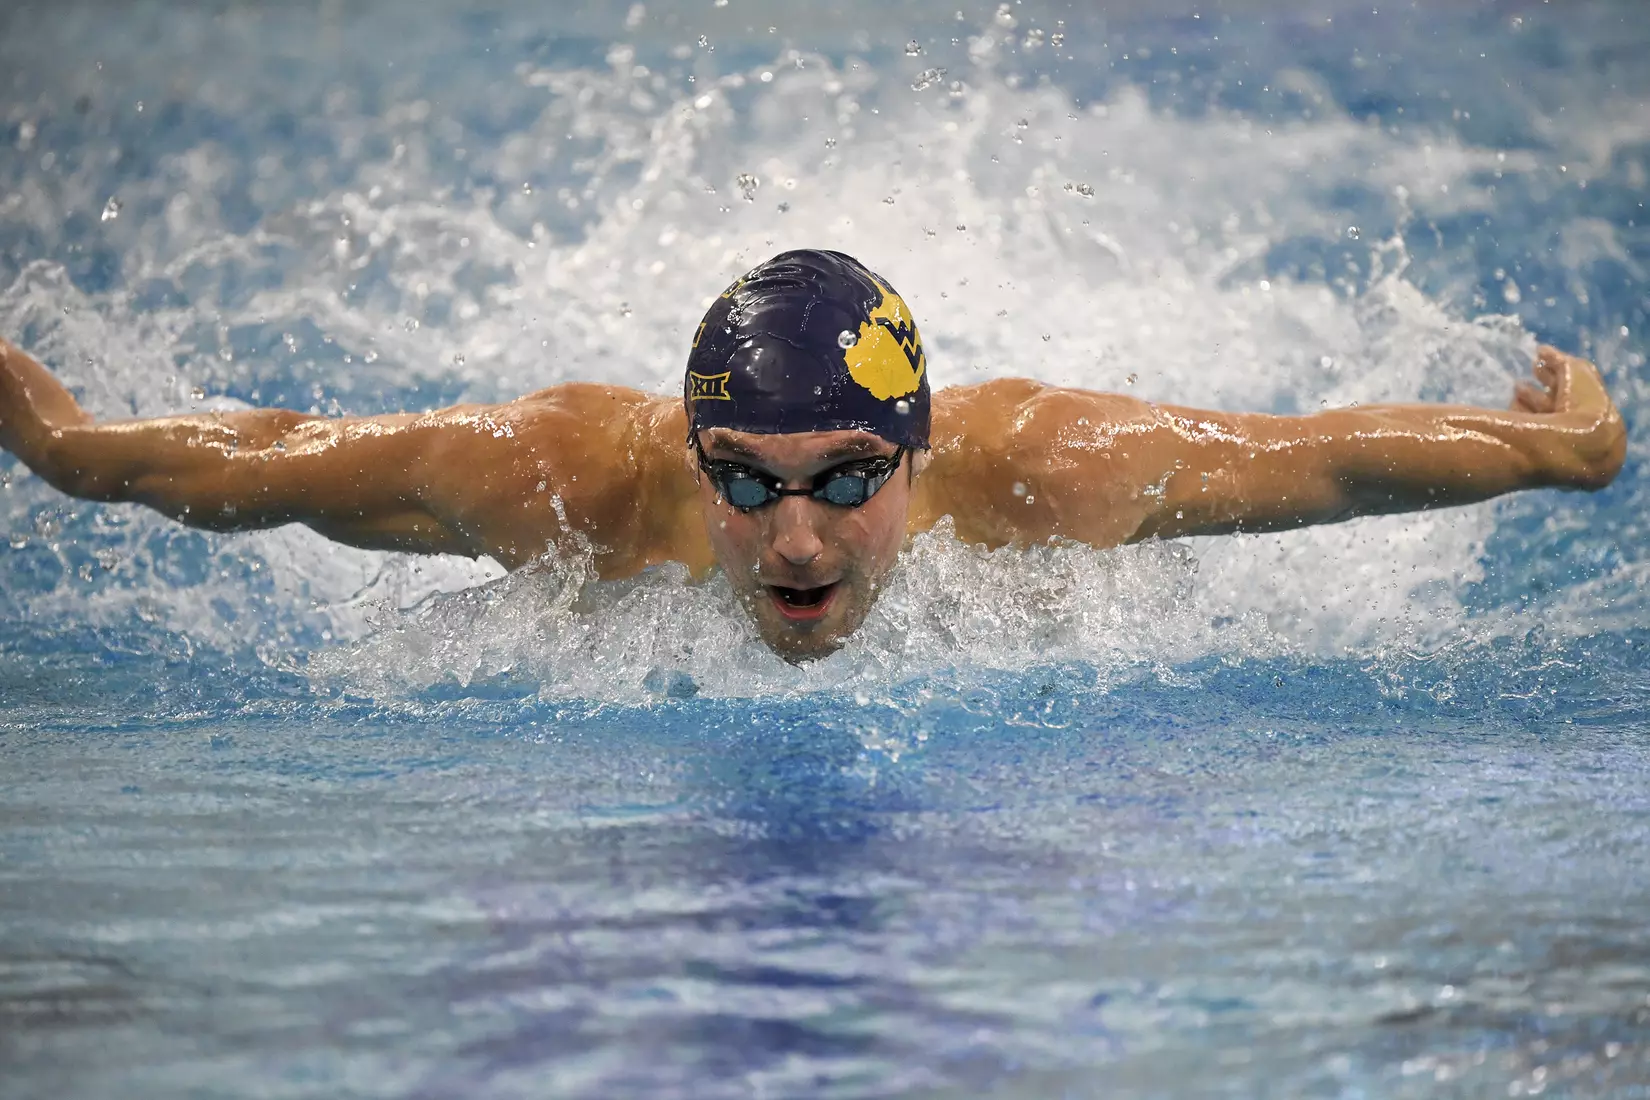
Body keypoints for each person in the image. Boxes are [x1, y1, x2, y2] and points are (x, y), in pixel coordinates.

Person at [0, 249, 1627, 661]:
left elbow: (1328, 462)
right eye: (749, 482)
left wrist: (1555, 456)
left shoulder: (1053, 472)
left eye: (849, 480)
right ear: (691, 454)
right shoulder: (558, 477)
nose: (794, 541)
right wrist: (66, 448)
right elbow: (271, 457)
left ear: (916, 461)